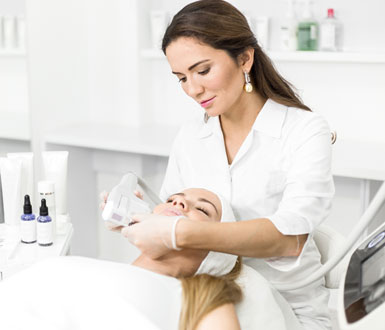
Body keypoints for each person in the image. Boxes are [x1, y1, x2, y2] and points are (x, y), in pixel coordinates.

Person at [120, 1, 335, 329]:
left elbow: (289, 240)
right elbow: (170, 220)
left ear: (245, 58)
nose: (193, 90)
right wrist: (136, 220)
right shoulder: (191, 135)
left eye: (202, 71)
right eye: (181, 78)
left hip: (287, 307)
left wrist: (178, 231)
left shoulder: (304, 130)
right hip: (206, 293)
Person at [0, 188, 251, 330]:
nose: (180, 202)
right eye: (172, 199)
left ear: (218, 252)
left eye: (203, 209)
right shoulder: (94, 267)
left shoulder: (203, 299)